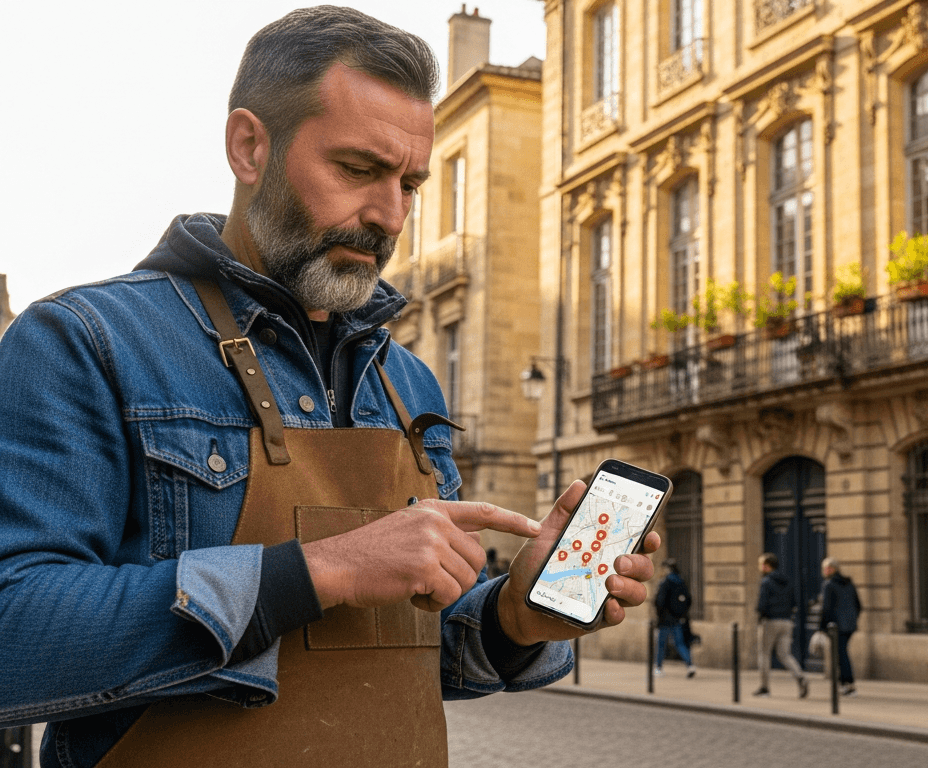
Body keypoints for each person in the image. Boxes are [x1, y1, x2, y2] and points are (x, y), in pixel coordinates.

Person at [0, 8, 657, 767]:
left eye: (410, 183)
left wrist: (514, 617)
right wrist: (320, 569)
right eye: (357, 169)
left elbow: (407, 654)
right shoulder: (83, 340)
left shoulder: (407, 381)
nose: (389, 216)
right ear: (250, 146)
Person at [754, 553, 808, 698]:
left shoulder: (766, 582)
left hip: (770, 621)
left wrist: (761, 615)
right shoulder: (787, 581)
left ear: (766, 566)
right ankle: (800, 677)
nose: (760, 567)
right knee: (785, 654)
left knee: (764, 654)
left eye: (761, 564)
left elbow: (761, 604)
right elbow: (794, 602)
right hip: (786, 622)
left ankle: (765, 687)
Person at [819, 557, 862, 696]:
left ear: (835, 569)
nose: (826, 570)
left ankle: (848, 684)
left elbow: (826, 609)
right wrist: (852, 619)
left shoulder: (829, 584)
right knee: (841, 653)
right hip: (849, 625)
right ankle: (844, 683)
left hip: (837, 626)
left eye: (829, 568)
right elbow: (859, 606)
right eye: (825, 568)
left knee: (841, 654)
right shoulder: (849, 583)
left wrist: (822, 627)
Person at [652, 558, 696, 678]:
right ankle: (690, 665)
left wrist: (659, 615)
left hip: (665, 619)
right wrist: (681, 614)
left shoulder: (665, 582)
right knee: (680, 643)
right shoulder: (681, 581)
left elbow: (659, 601)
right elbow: (689, 599)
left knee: (661, 644)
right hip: (677, 618)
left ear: (667, 569)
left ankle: (658, 668)